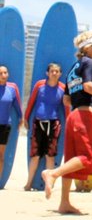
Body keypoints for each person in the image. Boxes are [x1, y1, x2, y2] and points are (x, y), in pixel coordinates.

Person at [41, 30, 92, 214]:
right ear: (87, 48)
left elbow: (66, 99)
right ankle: (52, 173)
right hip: (85, 117)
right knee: (88, 158)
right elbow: (88, 86)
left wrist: (90, 98)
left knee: (72, 159)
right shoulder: (90, 63)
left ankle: (64, 202)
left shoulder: (73, 68)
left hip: (73, 117)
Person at [24, 63, 67, 191]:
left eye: (57, 71)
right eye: (52, 71)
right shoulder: (39, 85)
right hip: (38, 123)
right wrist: (26, 117)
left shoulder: (63, 88)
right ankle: (28, 183)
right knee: (35, 155)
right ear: (47, 73)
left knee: (50, 155)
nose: (54, 73)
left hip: (54, 124)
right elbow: (31, 102)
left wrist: (69, 122)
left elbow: (66, 108)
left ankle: (49, 185)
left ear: (60, 74)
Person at [0, 65, 22, 180]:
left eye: (5, 73)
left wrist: (21, 119)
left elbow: (18, 106)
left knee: (0, 155)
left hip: (4, 126)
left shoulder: (12, 88)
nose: (4, 75)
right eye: (1, 73)